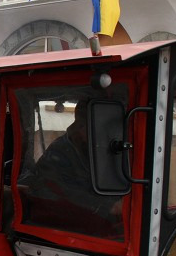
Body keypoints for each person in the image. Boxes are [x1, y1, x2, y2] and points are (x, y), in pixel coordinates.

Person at [19, 99, 122, 238]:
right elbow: (55, 190)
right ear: (81, 125)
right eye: (98, 127)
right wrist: (108, 206)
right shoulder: (57, 154)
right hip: (69, 231)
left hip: (103, 226)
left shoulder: (102, 149)